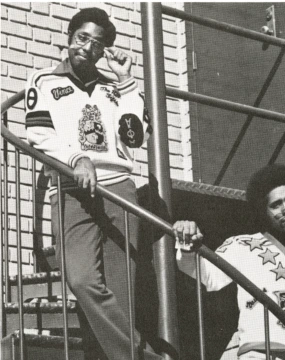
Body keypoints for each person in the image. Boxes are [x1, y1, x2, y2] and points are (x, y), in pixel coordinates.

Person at [25, 7, 162, 360]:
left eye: (97, 43)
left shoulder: (115, 90)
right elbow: (37, 132)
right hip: (72, 189)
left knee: (120, 294)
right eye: (82, 38)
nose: (87, 47)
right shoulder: (44, 81)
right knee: (82, 280)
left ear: (105, 51)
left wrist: (128, 84)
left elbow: (133, 137)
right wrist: (76, 159)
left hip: (119, 190)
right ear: (69, 38)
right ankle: (144, 356)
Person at [173, 164, 285, 360]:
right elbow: (207, 276)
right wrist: (187, 243)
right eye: (276, 205)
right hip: (259, 355)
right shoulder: (241, 246)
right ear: (263, 211)